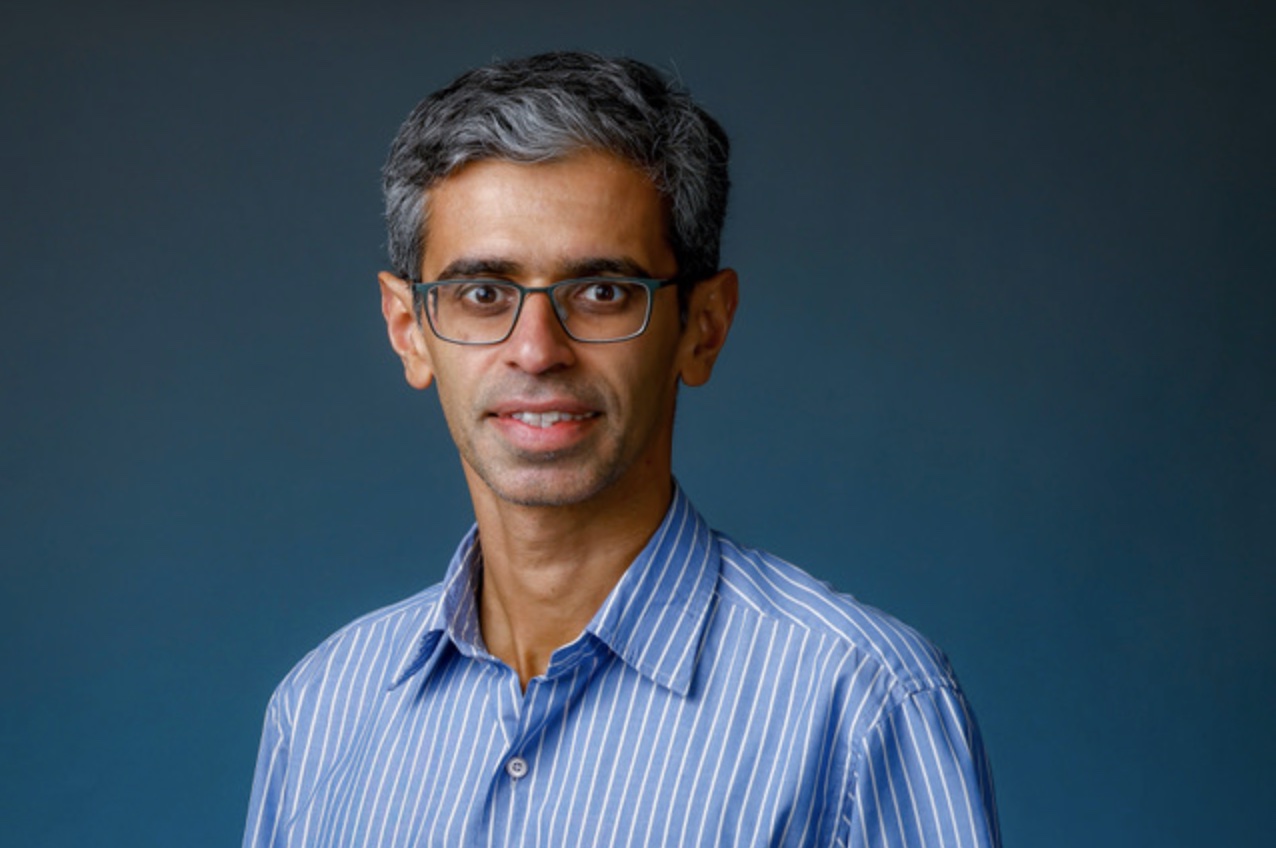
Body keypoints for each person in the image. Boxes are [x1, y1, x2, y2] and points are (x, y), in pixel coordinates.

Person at [243, 51, 1000, 847]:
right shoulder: (321, 712)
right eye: (482, 294)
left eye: (602, 293)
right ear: (409, 331)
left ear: (702, 328)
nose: (536, 351)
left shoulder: (861, 707)